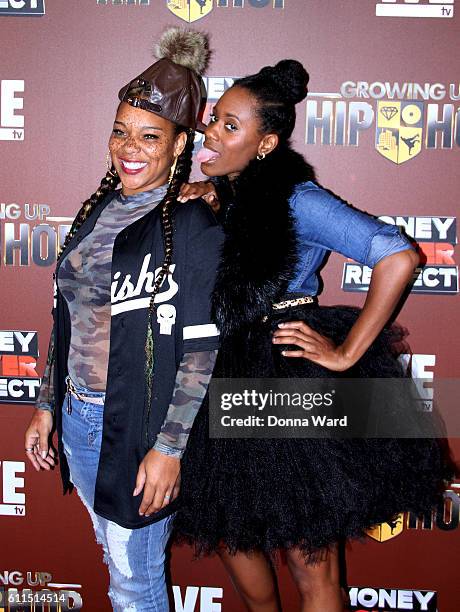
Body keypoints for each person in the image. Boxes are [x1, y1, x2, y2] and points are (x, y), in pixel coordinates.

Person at [174, 60, 453, 612]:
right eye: (215, 120)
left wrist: (348, 352)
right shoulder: (223, 193)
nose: (211, 132)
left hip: (284, 374)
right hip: (217, 367)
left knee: (312, 569)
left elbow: (397, 255)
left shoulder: (298, 200)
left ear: (266, 144)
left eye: (232, 126)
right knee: (234, 534)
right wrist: (209, 193)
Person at [24, 27, 223, 612]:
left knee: (135, 579)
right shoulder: (99, 208)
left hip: (139, 428)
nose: (128, 148)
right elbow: (66, 315)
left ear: (180, 144)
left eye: (149, 136)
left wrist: (169, 448)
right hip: (79, 416)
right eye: (119, 132)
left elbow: (200, 348)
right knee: (115, 558)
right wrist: (46, 403)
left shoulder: (191, 222)